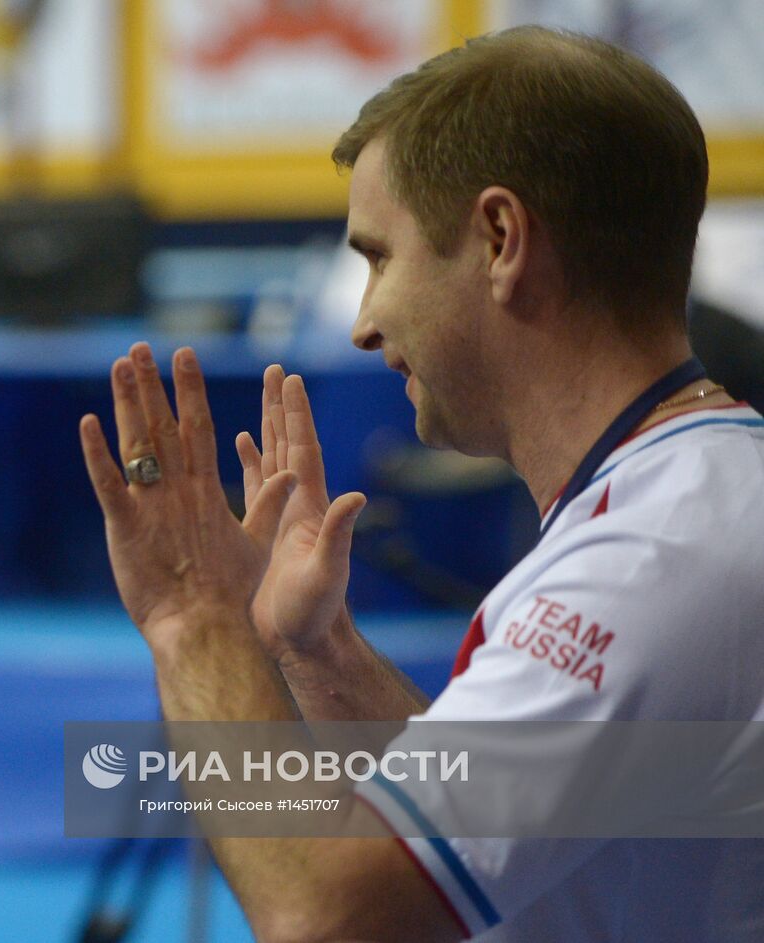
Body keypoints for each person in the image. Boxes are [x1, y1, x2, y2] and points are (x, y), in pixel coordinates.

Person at [79, 26, 764, 943]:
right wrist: (317, 652)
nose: (363, 323)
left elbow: (326, 914)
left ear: (499, 238)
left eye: (378, 257)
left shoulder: (649, 559)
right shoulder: (693, 495)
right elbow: (491, 824)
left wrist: (191, 613)